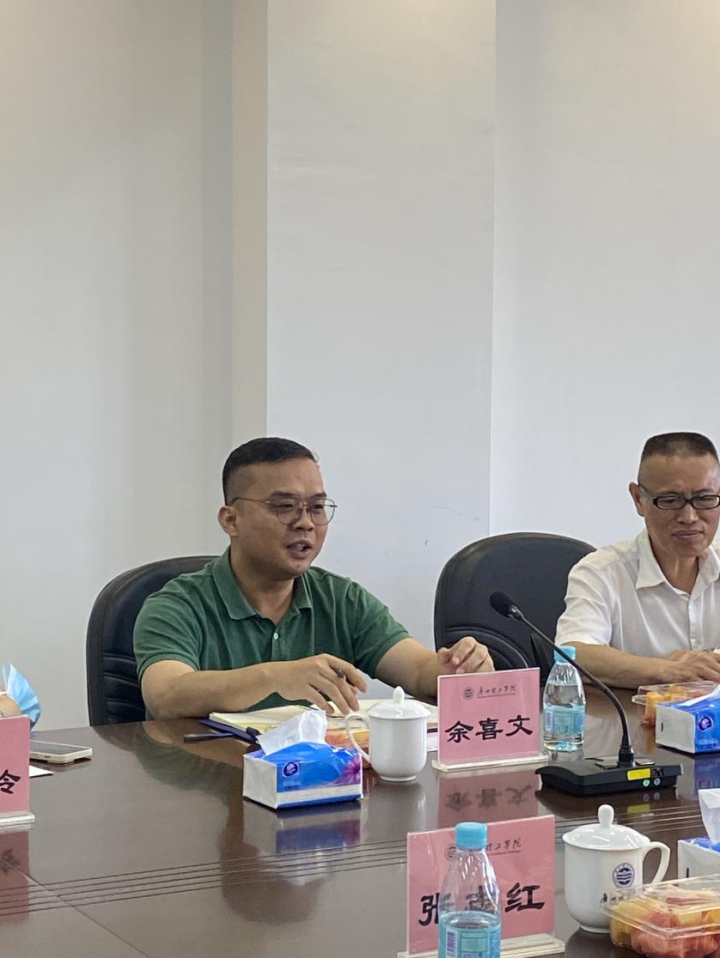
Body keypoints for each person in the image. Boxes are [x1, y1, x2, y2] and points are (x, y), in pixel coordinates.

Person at [134, 437, 494, 719]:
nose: (305, 522)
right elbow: (165, 694)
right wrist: (275, 677)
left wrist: (456, 669)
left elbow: (417, 672)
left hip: (324, 782)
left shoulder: (341, 599)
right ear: (231, 520)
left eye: (317, 507)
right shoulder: (177, 605)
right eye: (284, 507)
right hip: (208, 783)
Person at [555, 432, 720, 688]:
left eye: (705, 499)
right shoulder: (601, 572)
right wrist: (669, 671)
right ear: (638, 499)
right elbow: (574, 654)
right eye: (670, 500)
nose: (689, 517)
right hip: (634, 714)